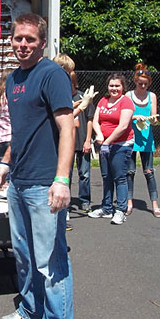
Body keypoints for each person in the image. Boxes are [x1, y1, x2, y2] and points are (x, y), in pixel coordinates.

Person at [0, 13, 81, 319]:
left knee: (51, 262)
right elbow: (21, 131)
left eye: (30, 39)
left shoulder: (52, 74)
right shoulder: (14, 79)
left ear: (42, 43)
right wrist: (6, 162)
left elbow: (67, 128)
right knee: (24, 255)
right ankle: (31, 310)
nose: (23, 44)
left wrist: (61, 180)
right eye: (18, 38)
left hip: (44, 184)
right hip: (19, 181)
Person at [88, 73, 135, 225]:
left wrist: (107, 142)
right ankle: (106, 208)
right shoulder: (103, 100)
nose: (114, 88)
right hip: (105, 144)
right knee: (106, 177)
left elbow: (123, 126)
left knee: (119, 177)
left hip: (121, 145)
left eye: (117, 86)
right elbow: (96, 120)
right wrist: (100, 135)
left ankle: (121, 210)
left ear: (123, 87)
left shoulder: (126, 102)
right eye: (111, 85)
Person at [126, 63, 160, 217]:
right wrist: (135, 116)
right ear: (135, 81)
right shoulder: (128, 95)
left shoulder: (151, 96)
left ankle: (154, 204)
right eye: (140, 83)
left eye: (145, 84)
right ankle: (128, 202)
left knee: (149, 172)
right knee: (129, 171)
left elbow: (154, 115)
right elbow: (125, 116)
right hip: (131, 137)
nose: (142, 86)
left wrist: (153, 120)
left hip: (146, 137)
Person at [70, 71, 95, 213]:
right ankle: (65, 201)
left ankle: (85, 200)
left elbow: (90, 119)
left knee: (84, 174)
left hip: (82, 140)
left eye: (71, 84)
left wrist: (87, 140)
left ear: (75, 83)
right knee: (66, 175)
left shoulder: (83, 97)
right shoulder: (62, 97)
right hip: (68, 142)